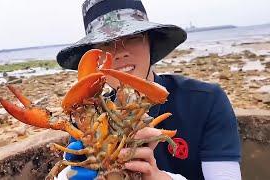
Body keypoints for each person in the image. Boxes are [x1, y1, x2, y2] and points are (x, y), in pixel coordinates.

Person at [56, 0, 241, 179]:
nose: (120, 52)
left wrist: (159, 178)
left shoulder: (205, 101)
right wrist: (69, 175)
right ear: (94, 59)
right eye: (105, 43)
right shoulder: (91, 115)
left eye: (133, 37)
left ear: (151, 43)